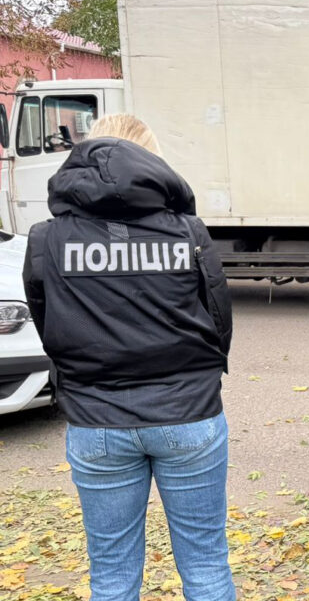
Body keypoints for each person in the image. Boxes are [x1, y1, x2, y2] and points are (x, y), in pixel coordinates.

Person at [22, 114, 235, 601]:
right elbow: (218, 321)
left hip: (96, 420)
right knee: (206, 563)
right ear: (152, 160)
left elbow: (47, 323)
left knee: (112, 574)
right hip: (189, 413)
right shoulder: (188, 231)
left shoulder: (46, 238)